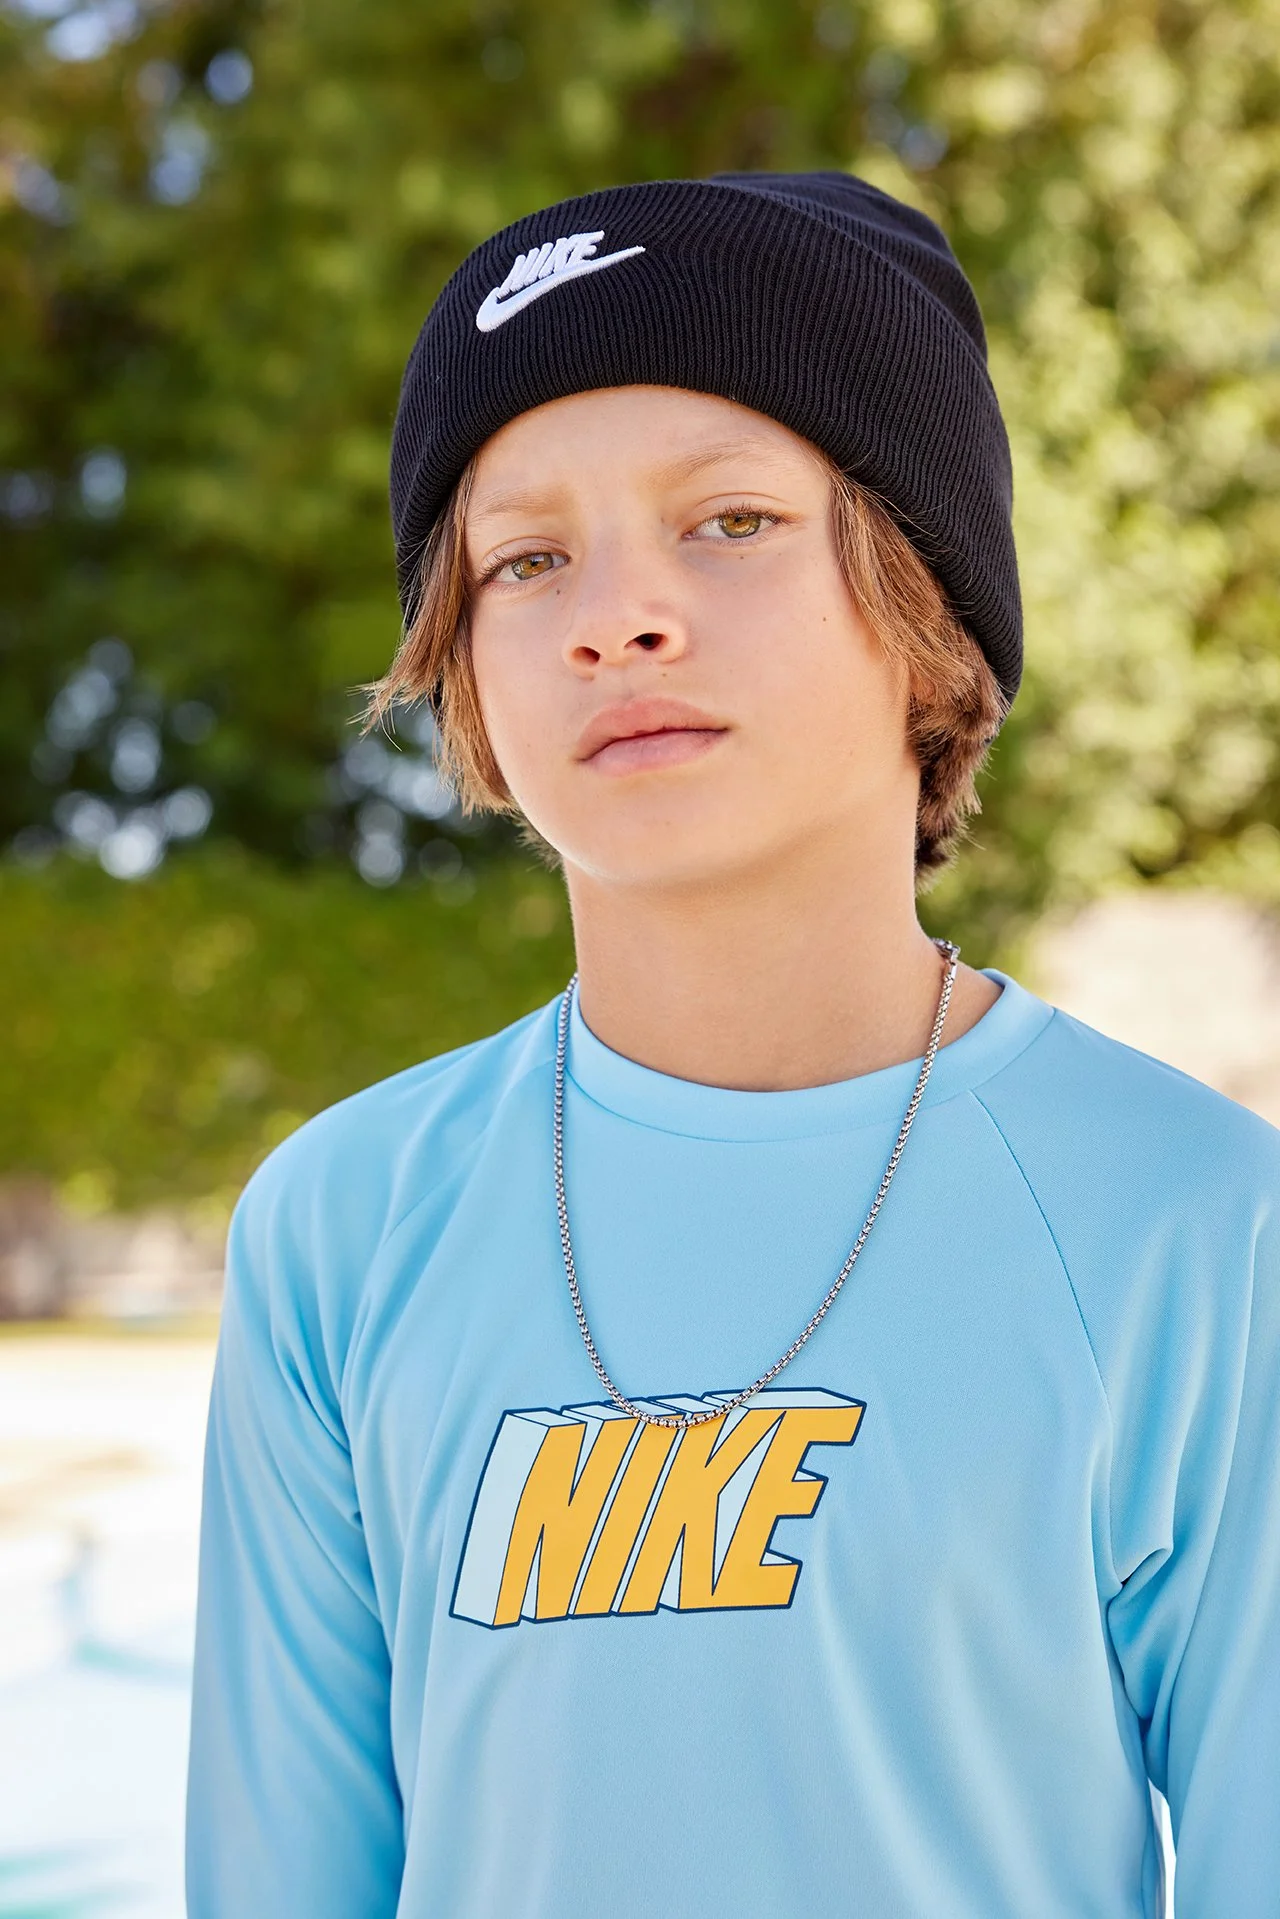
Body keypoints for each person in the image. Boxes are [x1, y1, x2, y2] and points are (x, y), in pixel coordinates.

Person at [185, 173, 1280, 1917]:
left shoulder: (1195, 1222)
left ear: (924, 607)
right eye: (525, 558)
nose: (615, 614)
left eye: (731, 521)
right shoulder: (339, 1228)